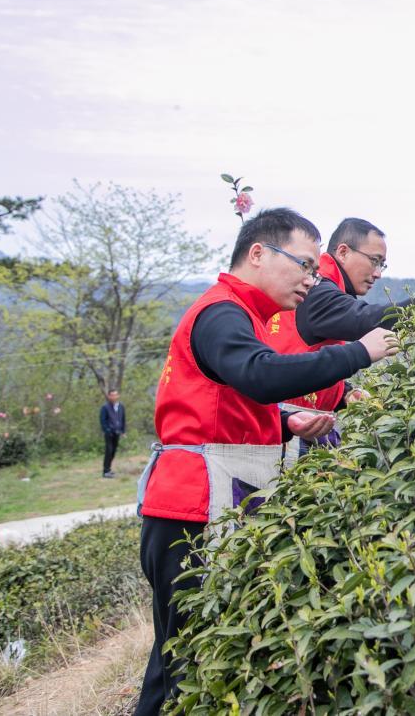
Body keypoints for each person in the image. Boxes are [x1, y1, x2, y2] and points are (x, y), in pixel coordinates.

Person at [133, 208, 397, 716]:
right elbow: (259, 374)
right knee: (183, 663)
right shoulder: (221, 312)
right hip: (191, 511)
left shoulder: (243, 315)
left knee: (186, 655)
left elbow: (221, 406)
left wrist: (284, 424)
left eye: (314, 271)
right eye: (302, 264)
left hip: (206, 504)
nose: (309, 279)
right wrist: (358, 353)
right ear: (258, 253)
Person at [265, 217, 415, 446]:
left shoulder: (324, 289)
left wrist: (344, 393)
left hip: (302, 420)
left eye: (382, 264)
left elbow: (308, 358)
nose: (378, 273)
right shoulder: (319, 293)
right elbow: (367, 318)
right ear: (343, 252)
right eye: (374, 261)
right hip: (292, 429)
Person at [100, 388, 125, 478]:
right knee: (109, 451)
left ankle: (109, 469)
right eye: (112, 395)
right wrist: (107, 430)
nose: (114, 397)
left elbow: (123, 419)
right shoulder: (105, 407)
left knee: (113, 451)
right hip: (109, 434)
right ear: (109, 396)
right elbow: (103, 421)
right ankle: (105, 471)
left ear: (118, 396)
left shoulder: (121, 406)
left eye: (115, 395)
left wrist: (123, 431)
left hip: (117, 433)